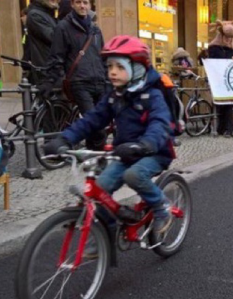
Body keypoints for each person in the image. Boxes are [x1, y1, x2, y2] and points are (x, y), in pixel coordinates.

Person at [43, 36, 175, 234]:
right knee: (100, 188)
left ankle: (162, 208)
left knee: (134, 175)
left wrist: (146, 144)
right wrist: (65, 138)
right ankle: (106, 234)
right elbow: (92, 119)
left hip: (154, 152)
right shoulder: (115, 96)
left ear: (137, 68)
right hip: (124, 152)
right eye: (110, 66)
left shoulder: (153, 96)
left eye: (120, 67)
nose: (112, 72)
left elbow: (160, 123)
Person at [40, 0, 107, 148]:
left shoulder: (95, 29)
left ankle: (94, 158)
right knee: (94, 123)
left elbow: (103, 56)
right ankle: (95, 155)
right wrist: (49, 80)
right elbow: (56, 57)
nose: (82, 6)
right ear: (72, 4)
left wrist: (107, 79)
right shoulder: (63, 27)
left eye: (85, 2)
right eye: (78, 2)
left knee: (101, 124)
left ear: (90, 5)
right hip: (80, 82)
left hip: (99, 81)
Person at [207, 20, 233, 138]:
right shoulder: (214, 48)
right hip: (218, 80)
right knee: (221, 104)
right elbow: (215, 62)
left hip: (229, 80)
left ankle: (229, 128)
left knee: (229, 104)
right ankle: (223, 128)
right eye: (226, 37)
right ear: (221, 35)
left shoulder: (231, 49)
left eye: (230, 38)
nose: (228, 40)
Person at [26, 0, 59, 84]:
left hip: (54, 71)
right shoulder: (35, 15)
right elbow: (55, 38)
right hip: (48, 72)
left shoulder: (49, 15)